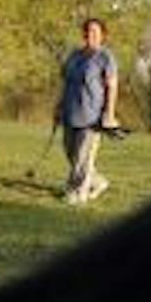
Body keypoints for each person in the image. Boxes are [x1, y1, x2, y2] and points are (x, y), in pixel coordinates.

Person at [54, 18, 119, 203]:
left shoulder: (106, 57)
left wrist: (110, 113)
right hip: (70, 111)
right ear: (83, 34)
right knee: (70, 152)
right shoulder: (74, 55)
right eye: (88, 31)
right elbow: (65, 82)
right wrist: (58, 106)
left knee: (82, 155)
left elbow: (112, 86)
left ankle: (76, 192)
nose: (91, 35)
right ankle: (98, 181)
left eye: (95, 32)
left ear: (102, 35)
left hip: (92, 115)